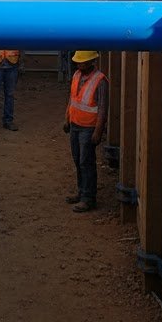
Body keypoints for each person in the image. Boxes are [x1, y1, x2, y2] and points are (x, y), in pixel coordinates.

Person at [63, 50, 108, 212]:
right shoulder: (77, 75)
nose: (78, 64)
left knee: (86, 162)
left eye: (82, 62)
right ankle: (82, 192)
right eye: (78, 62)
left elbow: (103, 109)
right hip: (75, 124)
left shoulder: (100, 81)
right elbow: (72, 98)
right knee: (78, 160)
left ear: (90, 62)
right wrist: (67, 118)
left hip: (88, 128)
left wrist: (98, 131)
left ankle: (88, 198)